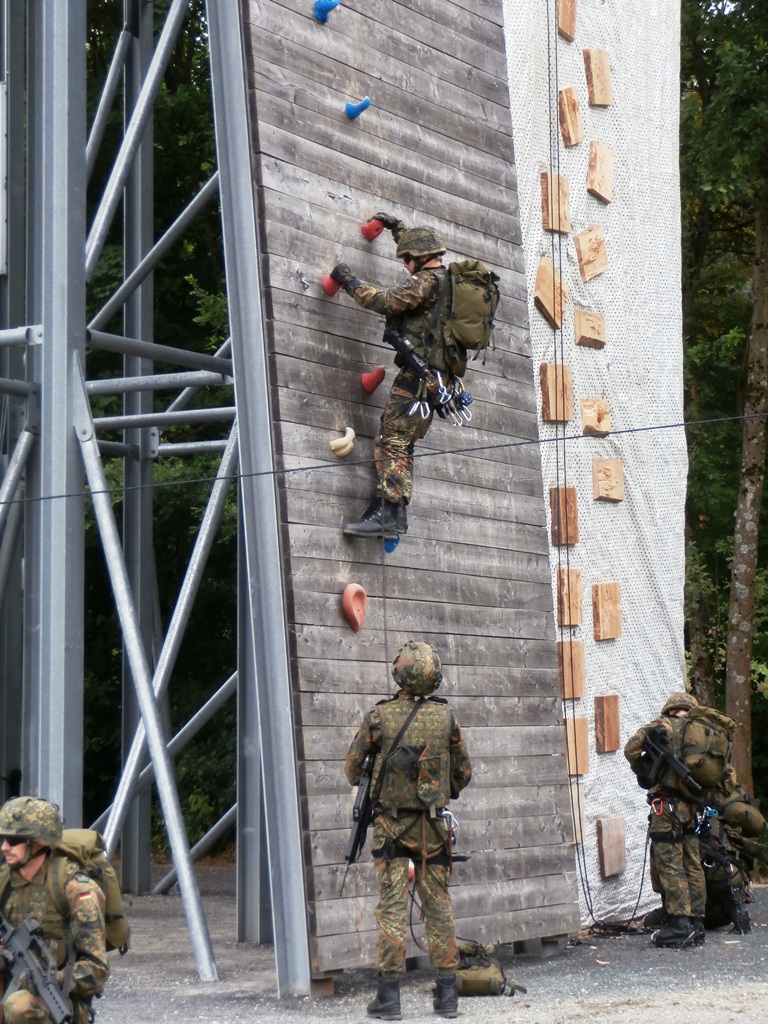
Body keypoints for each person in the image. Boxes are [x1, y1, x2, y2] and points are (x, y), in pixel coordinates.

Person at [345, 641, 472, 1019]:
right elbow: (462, 774)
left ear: (399, 673)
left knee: (392, 909)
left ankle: (389, 998)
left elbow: (352, 770)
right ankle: (447, 997)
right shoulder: (446, 718)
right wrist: (438, 793)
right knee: (439, 907)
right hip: (433, 828)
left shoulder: (379, 718)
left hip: (391, 829)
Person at [329, 214, 467, 540]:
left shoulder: (425, 282)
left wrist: (347, 280)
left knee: (391, 440)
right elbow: (417, 248)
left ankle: (387, 515)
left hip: (417, 378)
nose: (405, 266)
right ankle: (392, 514)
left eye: (408, 259)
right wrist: (396, 229)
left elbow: (385, 301)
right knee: (401, 442)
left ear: (421, 257)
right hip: (439, 382)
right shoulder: (450, 283)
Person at [0, 796, 109, 1024]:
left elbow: (97, 970)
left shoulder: (76, 889)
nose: (4, 847)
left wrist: (56, 979)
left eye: (13, 840)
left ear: (38, 842)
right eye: (3, 839)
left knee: (21, 1007)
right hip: (12, 985)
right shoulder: (5, 883)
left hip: (62, 1002)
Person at [624, 692, 707, 947]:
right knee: (692, 862)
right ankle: (696, 923)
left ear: (670, 709)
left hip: (667, 806)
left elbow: (631, 748)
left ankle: (680, 925)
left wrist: (645, 772)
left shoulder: (663, 726)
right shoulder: (702, 734)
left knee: (670, 862)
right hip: (692, 807)